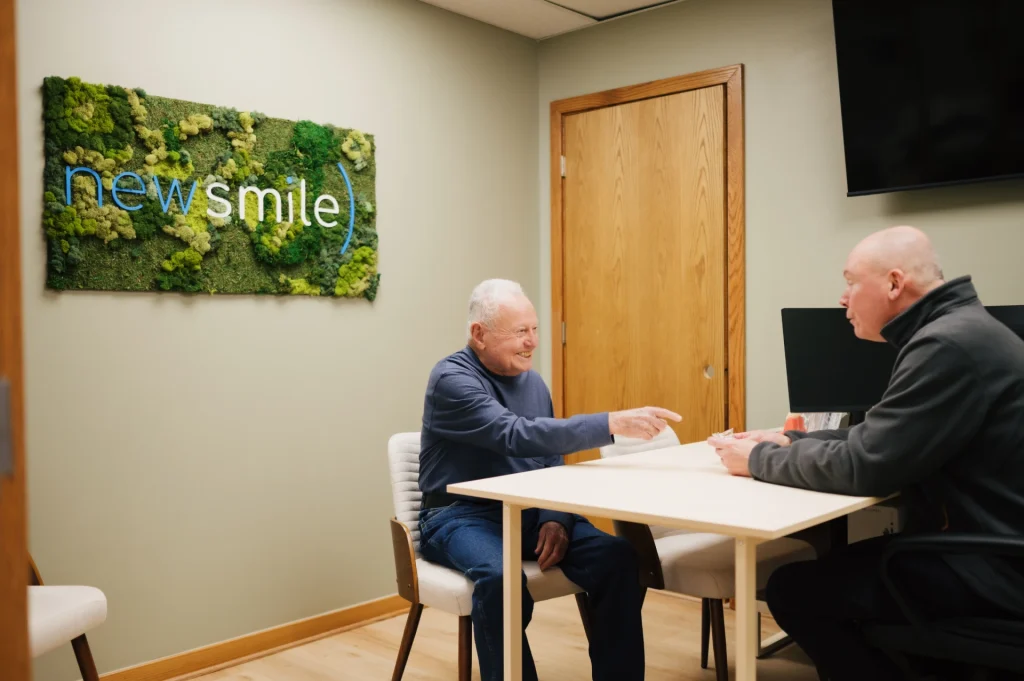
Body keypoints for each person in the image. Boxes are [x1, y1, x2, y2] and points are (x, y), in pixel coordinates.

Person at [708, 225, 1024, 680]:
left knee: (795, 590)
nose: (843, 298)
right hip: (995, 546)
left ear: (894, 283)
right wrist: (791, 442)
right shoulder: (964, 329)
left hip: (995, 568)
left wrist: (756, 461)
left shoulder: (945, 345)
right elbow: (880, 437)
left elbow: (866, 466)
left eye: (851, 282)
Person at [419, 278, 681, 681]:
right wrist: (610, 423)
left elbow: (549, 460)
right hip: (459, 516)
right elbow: (514, 435)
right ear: (479, 334)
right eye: (520, 332)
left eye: (535, 329)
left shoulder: (533, 382)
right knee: (501, 579)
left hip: (524, 510)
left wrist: (554, 516)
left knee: (617, 557)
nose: (532, 342)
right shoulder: (451, 380)